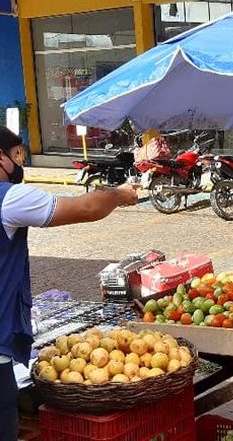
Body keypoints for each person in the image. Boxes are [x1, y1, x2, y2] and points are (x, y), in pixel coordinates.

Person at [0, 126, 138, 440]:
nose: (20, 163)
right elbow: (87, 208)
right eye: (16, 155)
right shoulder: (9, 199)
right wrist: (119, 195)